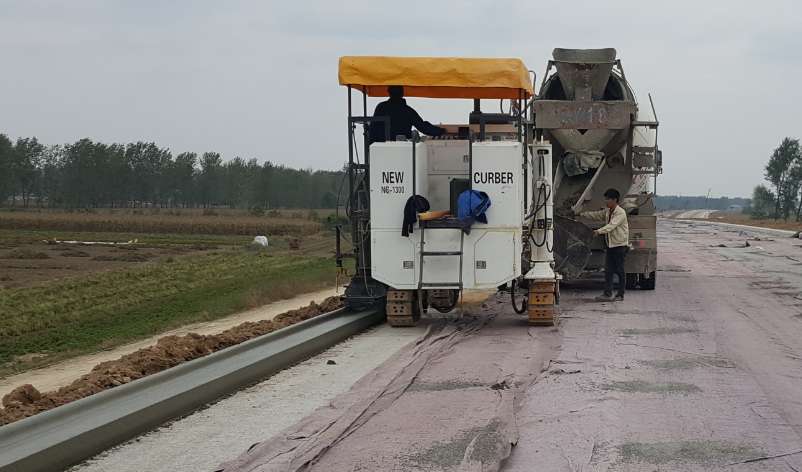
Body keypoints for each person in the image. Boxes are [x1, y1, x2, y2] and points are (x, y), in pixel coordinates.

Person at [578, 188, 630, 302]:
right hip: (611, 245)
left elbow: (611, 226)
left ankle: (620, 294)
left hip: (619, 246)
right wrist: (581, 214)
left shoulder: (620, 213)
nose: (606, 201)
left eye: (608, 199)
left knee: (620, 270)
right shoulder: (608, 211)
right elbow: (596, 215)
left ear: (615, 200)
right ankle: (607, 294)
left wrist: (598, 231)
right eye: (605, 199)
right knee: (608, 270)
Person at [369, 85, 445, 143]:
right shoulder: (407, 110)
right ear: (402, 93)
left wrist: (371, 148)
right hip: (402, 151)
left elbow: (373, 129)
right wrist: (441, 131)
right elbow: (422, 127)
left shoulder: (381, 107)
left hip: (381, 149)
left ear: (389, 92)